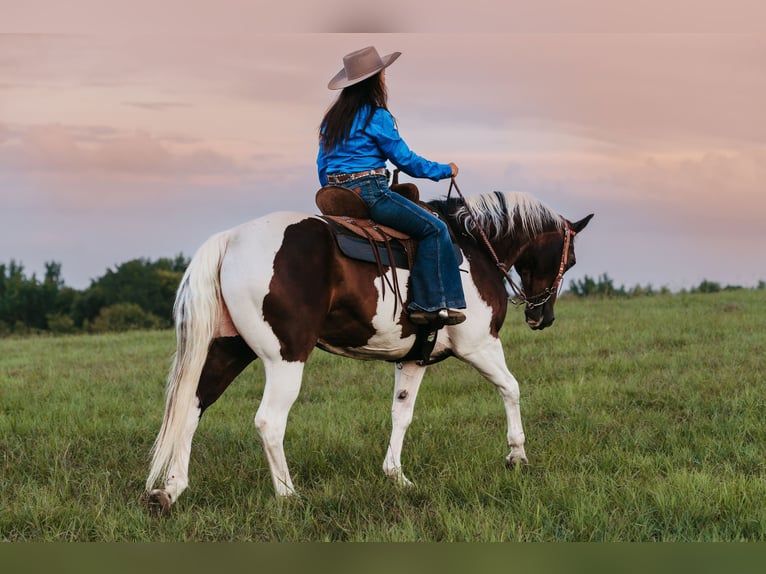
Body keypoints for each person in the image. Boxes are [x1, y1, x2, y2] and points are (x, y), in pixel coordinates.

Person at [317, 46, 466, 326]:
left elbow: (322, 166)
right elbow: (406, 161)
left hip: (336, 195)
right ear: (375, 80)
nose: (384, 78)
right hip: (371, 192)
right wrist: (445, 170)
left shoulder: (332, 120)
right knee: (435, 228)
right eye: (382, 74)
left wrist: (335, 190)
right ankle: (428, 304)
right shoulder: (378, 117)